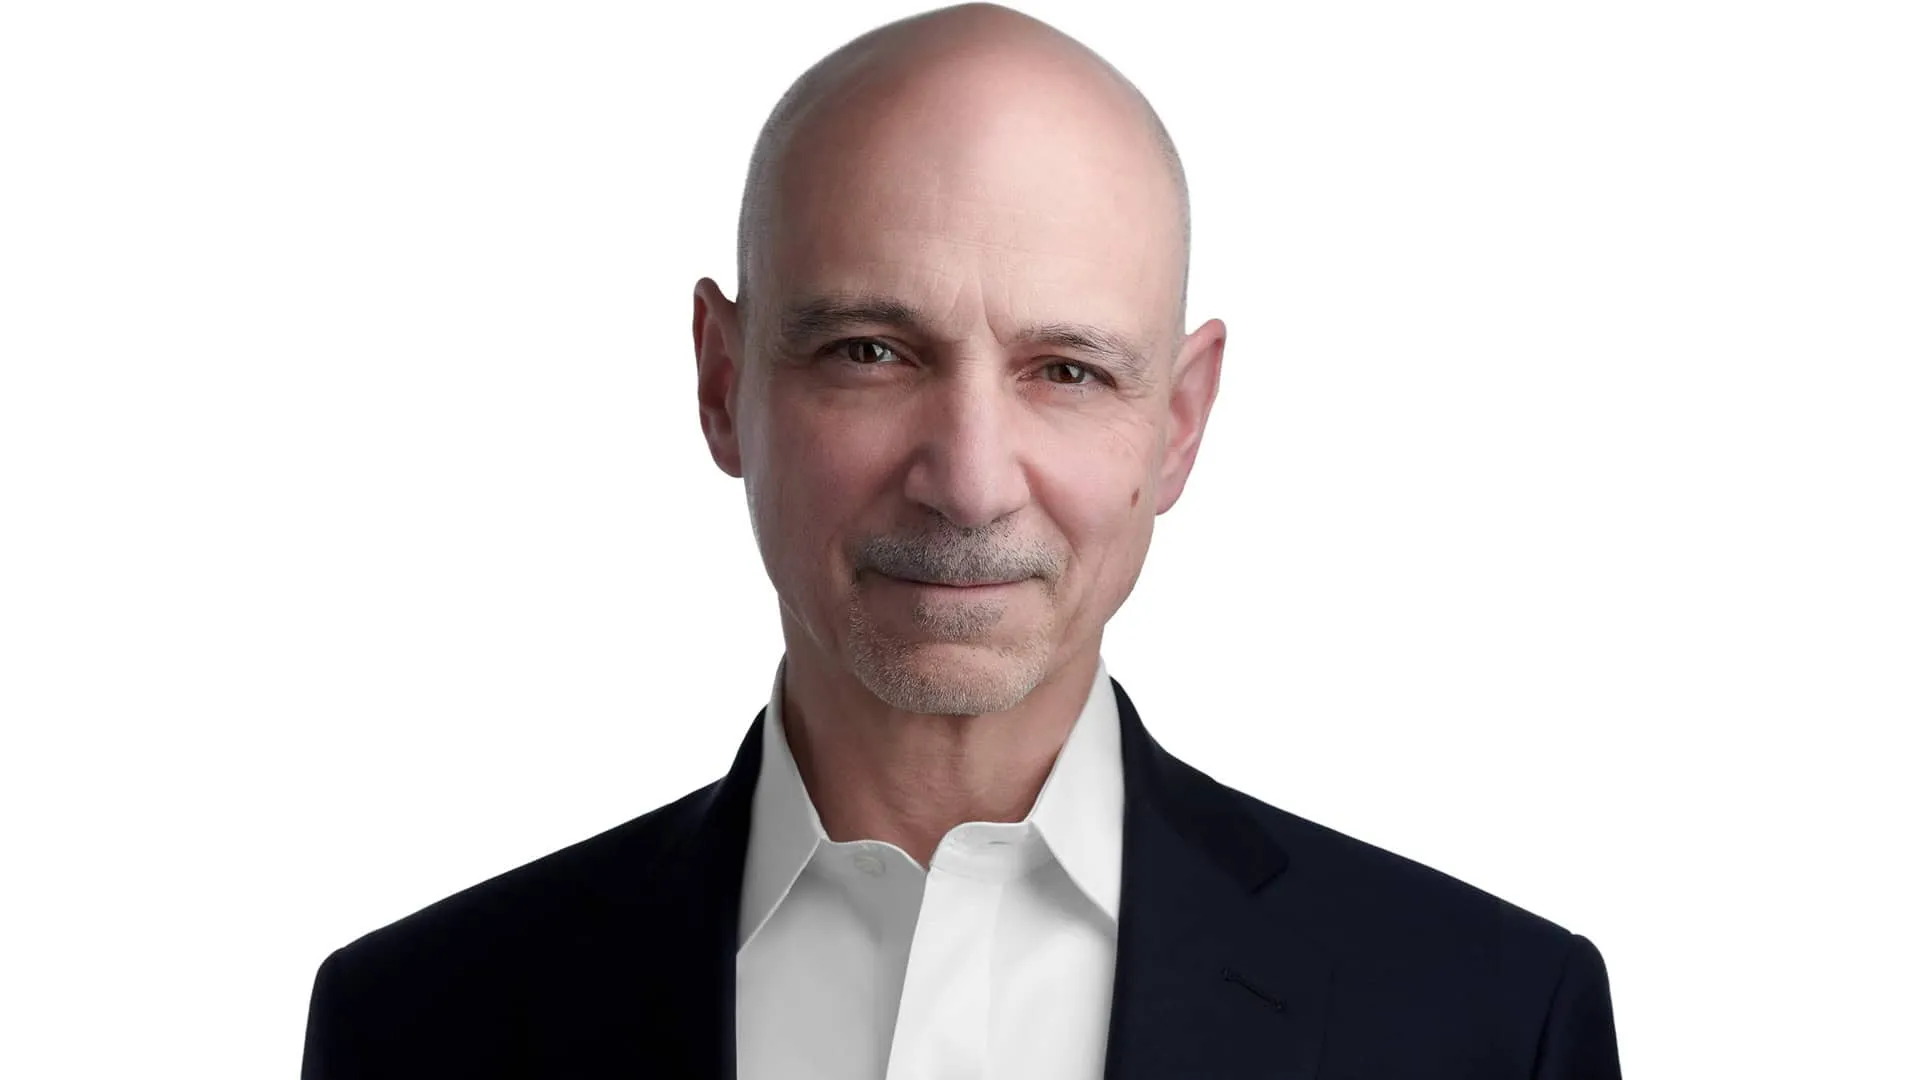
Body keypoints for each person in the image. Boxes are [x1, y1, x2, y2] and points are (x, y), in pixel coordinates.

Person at [300, 4, 1621, 1077]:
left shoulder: (1490, 1030)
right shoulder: (420, 1029)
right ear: (721, 383)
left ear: (1181, 421)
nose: (970, 483)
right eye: (871, 353)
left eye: (1068, 372)